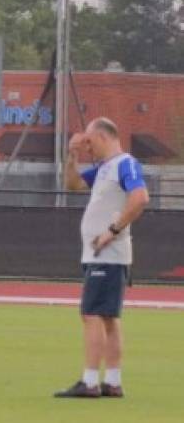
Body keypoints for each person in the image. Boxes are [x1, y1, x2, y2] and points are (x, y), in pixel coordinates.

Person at [54, 117, 150, 399]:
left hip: (108, 253)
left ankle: (90, 381)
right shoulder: (104, 168)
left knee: (91, 314)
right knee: (108, 316)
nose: (87, 147)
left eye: (89, 141)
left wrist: (112, 230)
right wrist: (72, 155)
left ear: (103, 137)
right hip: (99, 253)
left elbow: (140, 198)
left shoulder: (125, 163)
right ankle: (113, 381)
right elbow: (72, 185)